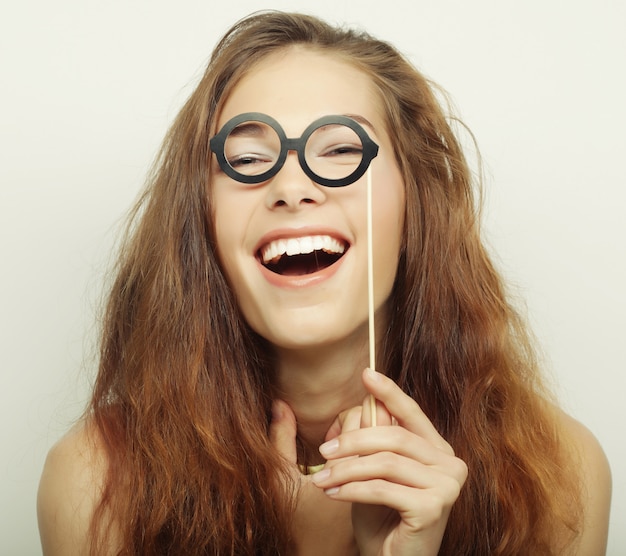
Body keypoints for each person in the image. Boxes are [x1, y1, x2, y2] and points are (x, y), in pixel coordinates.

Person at [37, 10, 611, 555]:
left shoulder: (561, 474)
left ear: (418, 200)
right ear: (200, 221)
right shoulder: (96, 481)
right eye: (247, 157)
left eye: (340, 150)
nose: (291, 187)